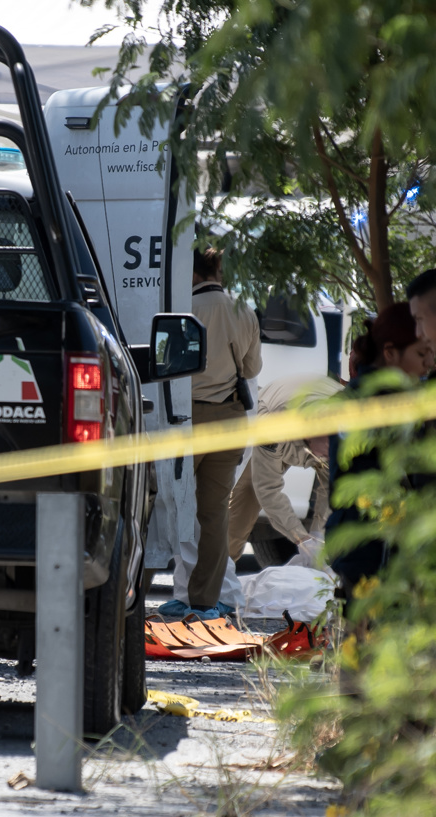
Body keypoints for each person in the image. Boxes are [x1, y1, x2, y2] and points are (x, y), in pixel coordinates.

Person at [161, 247, 261, 619]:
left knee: (172, 507)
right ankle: (205, 601)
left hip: (186, 419)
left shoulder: (182, 310)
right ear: (218, 271)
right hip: (230, 418)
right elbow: (251, 368)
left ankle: (177, 592)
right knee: (215, 513)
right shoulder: (244, 311)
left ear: (193, 274)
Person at [325, 302, 434, 598]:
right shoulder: (376, 402)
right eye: (421, 354)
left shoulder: (370, 395)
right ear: (390, 353)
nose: (427, 365)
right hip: (370, 547)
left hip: (363, 543)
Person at [227, 374, 346, 567]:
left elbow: (330, 489)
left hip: (311, 427)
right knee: (248, 494)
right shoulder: (274, 424)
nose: (333, 453)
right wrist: (300, 538)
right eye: (330, 445)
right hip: (273, 413)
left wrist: (317, 536)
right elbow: (267, 489)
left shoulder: (344, 428)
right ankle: (220, 569)